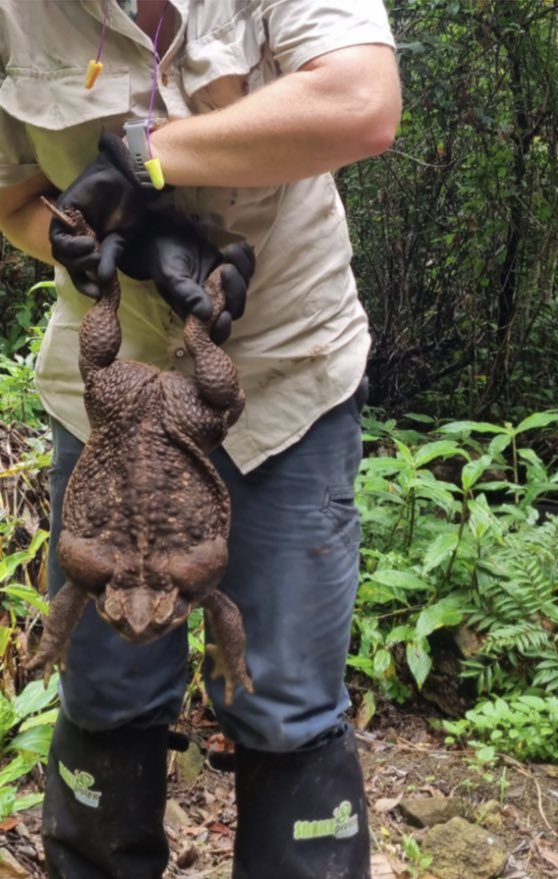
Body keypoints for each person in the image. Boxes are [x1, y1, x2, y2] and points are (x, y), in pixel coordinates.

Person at [0, 2, 401, 876]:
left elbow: (364, 102)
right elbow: (10, 203)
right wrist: (82, 244)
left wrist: (142, 163)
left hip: (286, 372)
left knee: (286, 697)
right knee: (105, 695)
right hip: (104, 396)